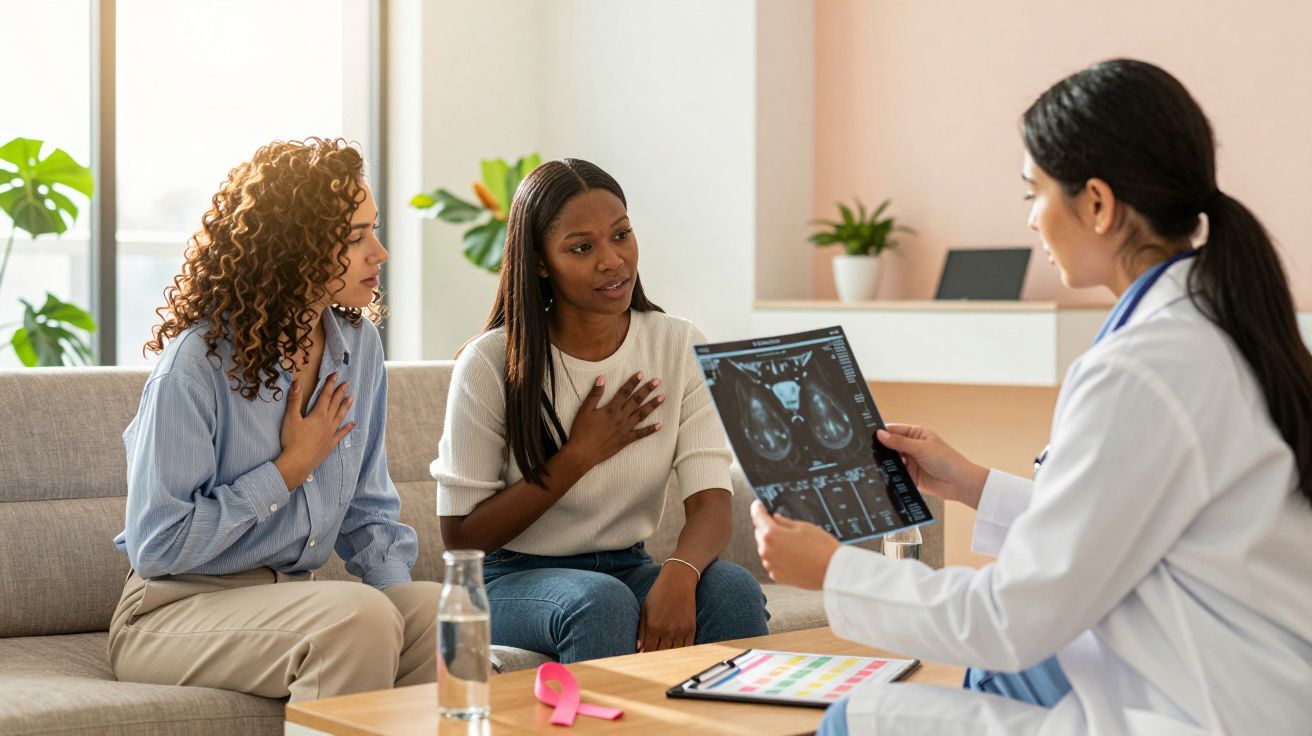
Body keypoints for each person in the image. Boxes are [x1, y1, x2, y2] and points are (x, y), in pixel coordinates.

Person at [752, 59, 1312, 735]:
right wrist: (976, 486)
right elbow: (1120, 528)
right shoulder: (1218, 325)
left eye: (1033, 195)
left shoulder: (1143, 370)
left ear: (1098, 205)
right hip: (1255, 687)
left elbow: (1010, 618)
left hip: (1200, 711)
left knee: (858, 718)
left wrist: (834, 570)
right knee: (998, 678)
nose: (1031, 222)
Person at [109, 138, 437, 702]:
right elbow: (157, 547)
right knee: (356, 617)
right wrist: (289, 468)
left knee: (442, 613)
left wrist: (402, 608)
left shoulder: (357, 348)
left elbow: (367, 509)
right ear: (297, 246)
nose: (379, 253)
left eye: (373, 230)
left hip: (287, 600)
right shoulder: (197, 364)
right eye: (356, 237)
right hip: (173, 609)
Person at [433, 158, 769, 663]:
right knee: (599, 602)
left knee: (731, 588)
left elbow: (710, 501)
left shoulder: (677, 346)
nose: (612, 260)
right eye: (582, 247)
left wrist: (680, 572)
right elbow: (460, 536)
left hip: (627, 565)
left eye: (621, 235)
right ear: (541, 261)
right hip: (507, 580)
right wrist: (578, 455)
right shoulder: (490, 362)